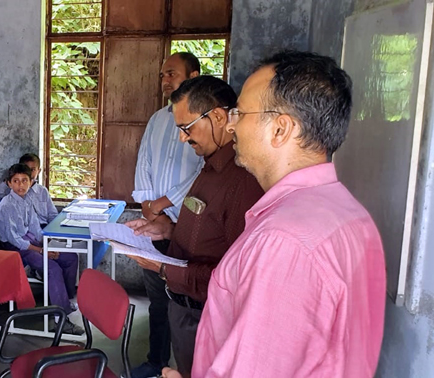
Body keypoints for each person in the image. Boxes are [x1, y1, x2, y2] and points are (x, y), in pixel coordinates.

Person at [180, 51, 386, 378]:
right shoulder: (350, 215)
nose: (231, 126)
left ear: (280, 129)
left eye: (240, 114)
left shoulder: (283, 242)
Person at [128, 76, 263, 377]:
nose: (183, 138)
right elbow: (209, 231)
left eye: (186, 128)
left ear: (217, 116)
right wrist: (167, 230)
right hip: (186, 310)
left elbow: (235, 277)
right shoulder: (211, 167)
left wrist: (163, 269)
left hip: (206, 315)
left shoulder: (242, 180)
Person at [129, 52, 205, 378]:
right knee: (158, 302)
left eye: (172, 73)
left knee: (184, 307)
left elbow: (203, 174)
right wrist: (147, 205)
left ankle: (185, 369)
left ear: (194, 74)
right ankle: (156, 363)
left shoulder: (204, 124)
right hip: (154, 225)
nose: (165, 81)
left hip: (187, 226)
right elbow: (143, 164)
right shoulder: (158, 119)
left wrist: (162, 204)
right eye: (163, 75)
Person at [0, 163, 83, 335]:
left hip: (31, 242)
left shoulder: (27, 200)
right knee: (52, 268)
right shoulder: (7, 206)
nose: (20, 185)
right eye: (16, 181)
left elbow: (35, 227)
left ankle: (64, 300)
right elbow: (15, 239)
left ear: (31, 182)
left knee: (71, 258)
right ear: (9, 184)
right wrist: (41, 251)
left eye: (24, 181)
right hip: (16, 249)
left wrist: (47, 244)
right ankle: (61, 320)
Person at [0, 153, 58, 227]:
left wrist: (51, 232)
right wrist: (7, 183)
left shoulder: (42, 191)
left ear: (39, 171)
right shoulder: (13, 190)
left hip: (43, 228)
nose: (29, 173)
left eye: (33, 169)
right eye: (26, 169)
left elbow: (53, 215)